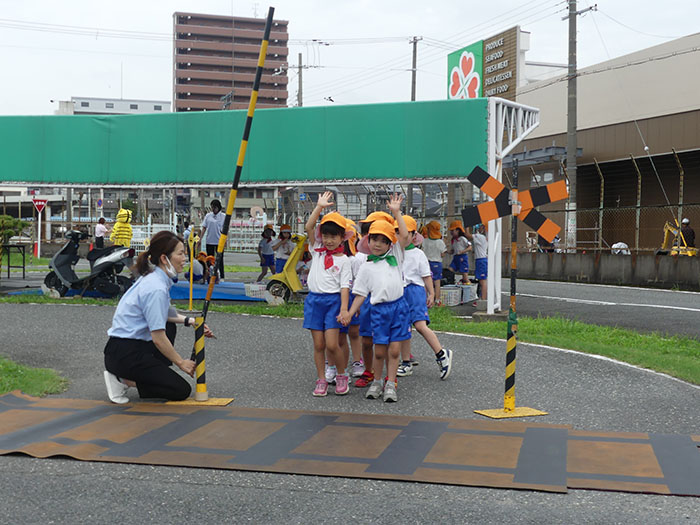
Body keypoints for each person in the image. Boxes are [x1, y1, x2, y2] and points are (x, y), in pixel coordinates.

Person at [102, 230, 214, 404]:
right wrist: (180, 363)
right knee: (180, 390)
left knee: (170, 326)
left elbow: (165, 314)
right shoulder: (155, 288)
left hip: (127, 348)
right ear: (164, 258)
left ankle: (153, 373)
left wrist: (191, 321)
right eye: (181, 254)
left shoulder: (155, 278)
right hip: (124, 354)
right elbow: (158, 338)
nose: (185, 258)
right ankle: (121, 380)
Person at [341, 194, 411, 403]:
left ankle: (391, 383)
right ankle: (377, 381)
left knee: (395, 349)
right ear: (367, 240)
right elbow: (360, 294)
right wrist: (348, 313)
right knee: (379, 350)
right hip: (379, 311)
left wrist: (396, 212)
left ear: (391, 244)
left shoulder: (397, 257)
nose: (378, 244)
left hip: (398, 308)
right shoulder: (366, 267)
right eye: (374, 239)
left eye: (384, 240)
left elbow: (405, 236)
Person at [304, 192, 352, 397]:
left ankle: (342, 374)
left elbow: (344, 287)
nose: (329, 240)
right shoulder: (317, 249)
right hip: (314, 300)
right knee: (319, 344)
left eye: (334, 236)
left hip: (333, 302)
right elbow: (308, 227)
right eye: (326, 235)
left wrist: (344, 309)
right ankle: (321, 379)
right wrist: (319, 207)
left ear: (342, 237)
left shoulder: (345, 261)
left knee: (333, 344)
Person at [397, 215, 453, 380]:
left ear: (414, 235)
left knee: (420, 326)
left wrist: (431, 293)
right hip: (399, 292)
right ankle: (406, 362)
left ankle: (441, 354)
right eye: (399, 232)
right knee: (404, 329)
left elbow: (426, 275)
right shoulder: (393, 251)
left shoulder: (418, 254)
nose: (402, 236)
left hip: (414, 291)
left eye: (406, 233)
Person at [352, 211, 395, 388]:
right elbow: (359, 285)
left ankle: (389, 377)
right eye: (372, 231)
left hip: (387, 302)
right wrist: (355, 307)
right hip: (367, 301)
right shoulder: (360, 256)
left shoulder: (394, 256)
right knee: (367, 340)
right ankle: (369, 371)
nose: (377, 243)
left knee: (388, 342)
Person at [421, 220, 447, 304]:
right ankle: (437, 300)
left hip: (427, 263)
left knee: (426, 282)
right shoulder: (440, 242)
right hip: (437, 263)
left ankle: (425, 300)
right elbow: (443, 254)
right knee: (437, 283)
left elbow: (422, 250)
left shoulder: (425, 241)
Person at [200, 200, 226, 282]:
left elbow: (226, 230)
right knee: (209, 259)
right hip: (209, 240)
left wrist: (225, 241)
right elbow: (204, 228)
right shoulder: (208, 216)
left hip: (219, 241)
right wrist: (200, 239)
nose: (213, 209)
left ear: (218, 207)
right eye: (212, 207)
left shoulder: (223, 216)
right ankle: (209, 275)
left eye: (214, 207)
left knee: (220, 259)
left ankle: (221, 276)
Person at [466, 223, 487, 302]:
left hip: (481, 260)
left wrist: (467, 225)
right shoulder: (484, 237)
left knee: (482, 280)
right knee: (482, 280)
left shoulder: (480, 237)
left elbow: (468, 235)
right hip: (481, 260)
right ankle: (482, 298)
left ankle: (483, 299)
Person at [447, 219, 471, 284]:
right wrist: (447, 251)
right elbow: (453, 250)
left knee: (465, 276)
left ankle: (469, 288)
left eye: (453, 231)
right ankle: (452, 281)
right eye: (450, 231)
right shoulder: (453, 240)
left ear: (458, 230)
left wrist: (463, 251)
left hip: (462, 257)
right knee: (450, 269)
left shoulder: (463, 239)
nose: (451, 232)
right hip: (455, 257)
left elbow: (470, 247)